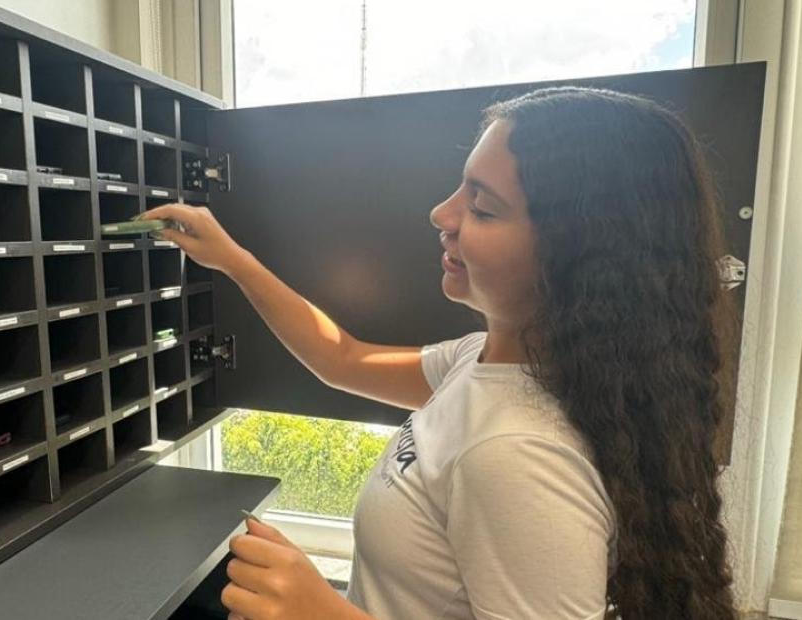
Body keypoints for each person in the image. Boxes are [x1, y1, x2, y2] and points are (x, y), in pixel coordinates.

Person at [143, 86, 738, 620]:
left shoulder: (515, 454)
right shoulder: (485, 362)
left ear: (579, 257)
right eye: (461, 187)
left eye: (482, 207)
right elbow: (342, 358)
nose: (442, 214)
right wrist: (229, 258)